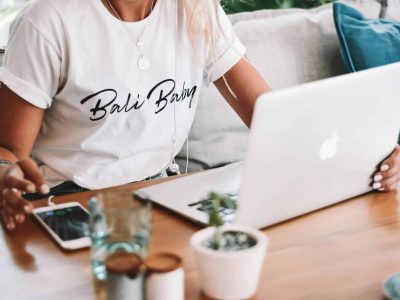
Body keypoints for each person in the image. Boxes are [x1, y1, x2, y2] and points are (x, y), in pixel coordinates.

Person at [0, 0, 398, 232]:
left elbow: (273, 118)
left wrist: (373, 154)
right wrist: (7, 175)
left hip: (161, 199)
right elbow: (8, 150)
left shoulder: (195, 8)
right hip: (76, 208)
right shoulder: (48, 21)